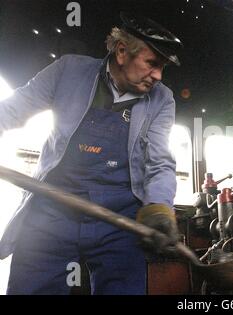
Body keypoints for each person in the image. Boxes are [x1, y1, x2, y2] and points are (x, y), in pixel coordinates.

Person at [0, 12, 182, 295]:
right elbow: (13, 108)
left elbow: (160, 161)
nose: (158, 75)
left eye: (162, 67)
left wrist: (160, 207)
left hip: (119, 215)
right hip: (52, 207)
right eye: (152, 63)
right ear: (122, 52)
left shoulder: (162, 99)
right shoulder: (68, 71)